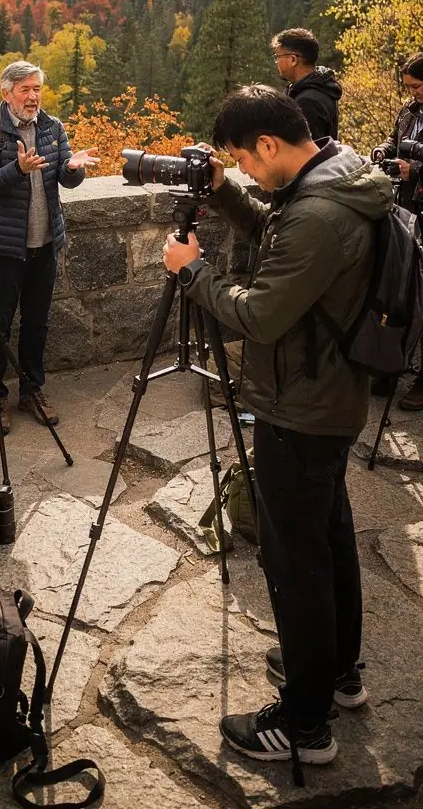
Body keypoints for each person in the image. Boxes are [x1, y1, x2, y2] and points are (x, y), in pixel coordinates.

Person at [163, 86, 392, 768]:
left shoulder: (319, 213)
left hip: (300, 406)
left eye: (243, 159)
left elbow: (261, 315)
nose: (246, 169)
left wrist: (194, 274)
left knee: (295, 564)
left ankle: (304, 724)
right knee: (329, 540)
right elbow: (277, 229)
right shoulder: (339, 175)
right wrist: (226, 190)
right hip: (329, 396)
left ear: (269, 144)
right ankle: (337, 671)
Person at [0, 61, 98, 434]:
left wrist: (72, 168)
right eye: (24, 89)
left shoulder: (52, 127)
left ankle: (31, 391)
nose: (32, 97)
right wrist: (18, 169)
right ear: (6, 92)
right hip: (4, 248)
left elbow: (66, 180)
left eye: (37, 89)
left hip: (45, 245)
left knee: (37, 323)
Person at [371, 52, 423, 409]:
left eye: (417, 86)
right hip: (406, 208)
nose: (412, 93)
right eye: (409, 87)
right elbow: (395, 139)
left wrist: (414, 170)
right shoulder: (408, 110)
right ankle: (391, 364)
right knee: (398, 288)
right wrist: (383, 150)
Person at [272, 27, 342, 141]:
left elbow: (307, 148)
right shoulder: (319, 86)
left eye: (278, 57)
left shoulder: (308, 101)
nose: (276, 62)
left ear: (293, 60)